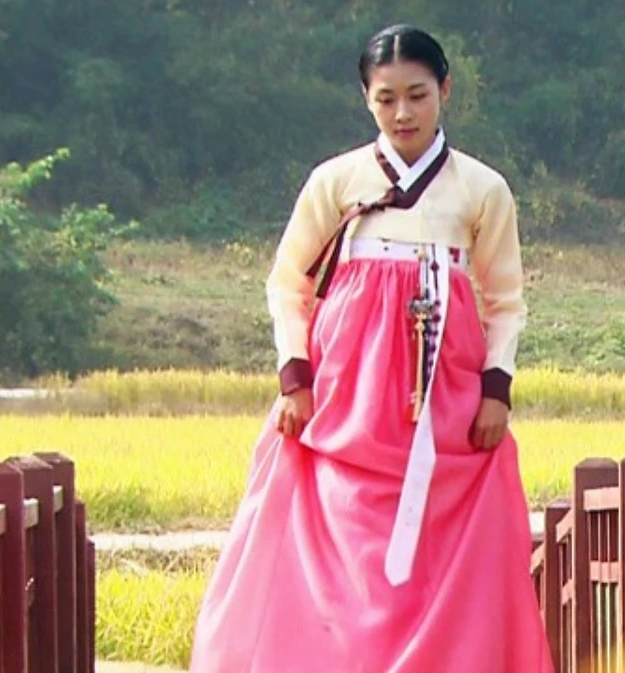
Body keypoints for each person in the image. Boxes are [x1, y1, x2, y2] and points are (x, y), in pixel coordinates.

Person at [188, 24, 555, 673]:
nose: (403, 113)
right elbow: (288, 282)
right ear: (366, 98)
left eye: (417, 95)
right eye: (386, 99)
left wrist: (496, 389)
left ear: (445, 91)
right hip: (346, 395)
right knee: (334, 530)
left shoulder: (482, 188)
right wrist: (295, 378)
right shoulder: (336, 181)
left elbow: (504, 298)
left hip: (447, 396)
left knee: (448, 544)